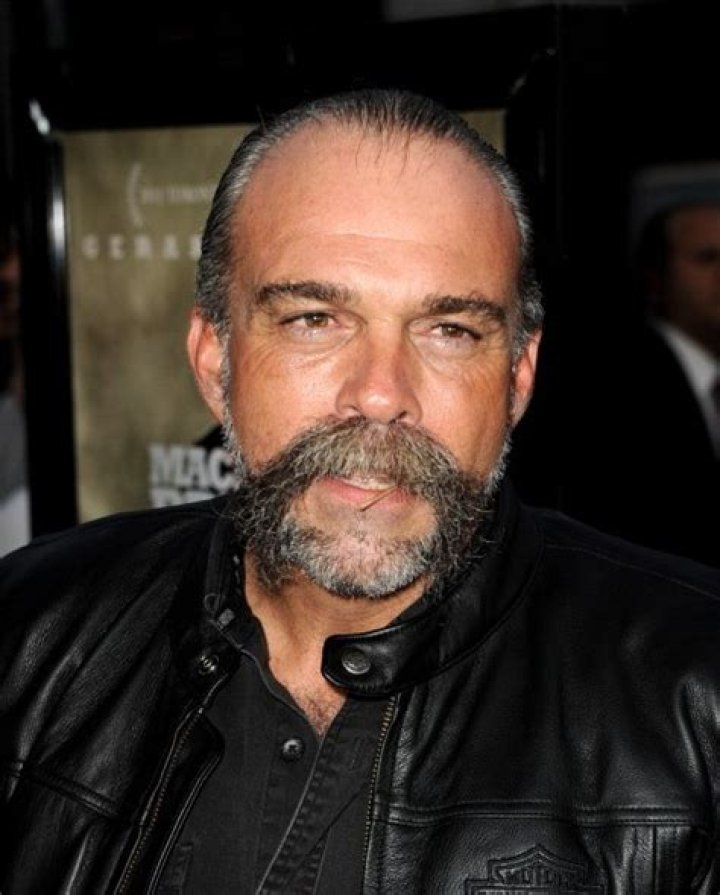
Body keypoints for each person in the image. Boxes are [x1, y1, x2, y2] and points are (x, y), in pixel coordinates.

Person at [1, 90, 719, 894]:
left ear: (518, 377)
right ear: (214, 359)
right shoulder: (31, 634)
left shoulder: (697, 698)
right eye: (315, 318)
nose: (380, 394)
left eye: (449, 330)